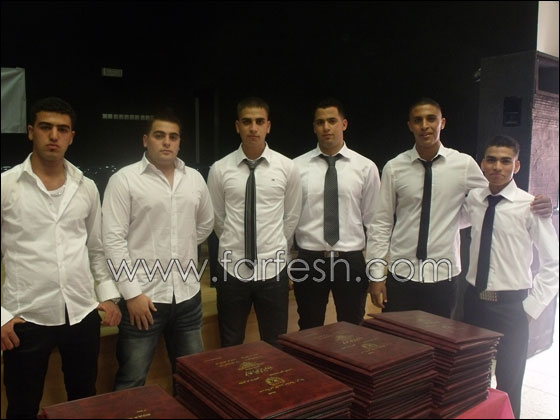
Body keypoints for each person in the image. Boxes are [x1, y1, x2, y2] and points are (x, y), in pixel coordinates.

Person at [367, 98, 552, 318]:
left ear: (442, 123)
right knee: (396, 337)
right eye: (418, 120)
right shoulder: (394, 167)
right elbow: (381, 223)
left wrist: (536, 203)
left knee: (439, 338)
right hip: (401, 272)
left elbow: (492, 199)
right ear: (410, 126)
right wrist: (376, 275)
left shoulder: (463, 165)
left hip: (443, 275)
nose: (425, 125)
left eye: (431, 119)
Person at [1, 97, 122, 419]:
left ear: (71, 136)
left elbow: (96, 248)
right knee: (22, 407)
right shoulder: (6, 187)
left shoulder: (86, 187)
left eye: (62, 129)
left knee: (83, 401)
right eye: (46, 127)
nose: (54, 135)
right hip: (26, 316)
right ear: (31, 132)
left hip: (81, 313)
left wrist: (108, 295)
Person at [102, 107, 214, 390]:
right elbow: (113, 240)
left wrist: (183, 245)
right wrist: (132, 294)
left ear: (179, 142)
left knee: (193, 379)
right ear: (145, 140)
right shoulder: (124, 180)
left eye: (173, 137)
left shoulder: (194, 179)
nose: (166, 142)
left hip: (188, 297)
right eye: (159, 135)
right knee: (132, 380)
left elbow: (205, 224)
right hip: (144, 300)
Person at [462, 135, 558, 419]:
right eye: (491, 160)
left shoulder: (530, 206)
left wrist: (530, 308)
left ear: (516, 166)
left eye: (506, 161)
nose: (497, 167)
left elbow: (553, 263)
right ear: (482, 164)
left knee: (509, 383)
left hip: (512, 308)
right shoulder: (475, 199)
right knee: (469, 381)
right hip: (473, 304)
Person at [207, 97, 302, 347]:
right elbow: (218, 218)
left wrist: (274, 245)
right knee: (230, 343)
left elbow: (291, 216)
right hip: (231, 268)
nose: (253, 128)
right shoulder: (219, 169)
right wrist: (236, 243)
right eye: (247, 122)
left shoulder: (287, 167)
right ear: (237, 126)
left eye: (259, 122)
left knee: (275, 344)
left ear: (268, 126)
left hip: (273, 270)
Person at [291, 98, 380, 329]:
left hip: (350, 259)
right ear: (314, 127)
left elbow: (374, 222)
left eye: (332, 121)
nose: (326, 127)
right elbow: (288, 219)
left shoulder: (365, 167)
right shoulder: (295, 168)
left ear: (344, 124)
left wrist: (377, 270)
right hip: (309, 259)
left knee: (352, 331)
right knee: (309, 329)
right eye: (320, 122)